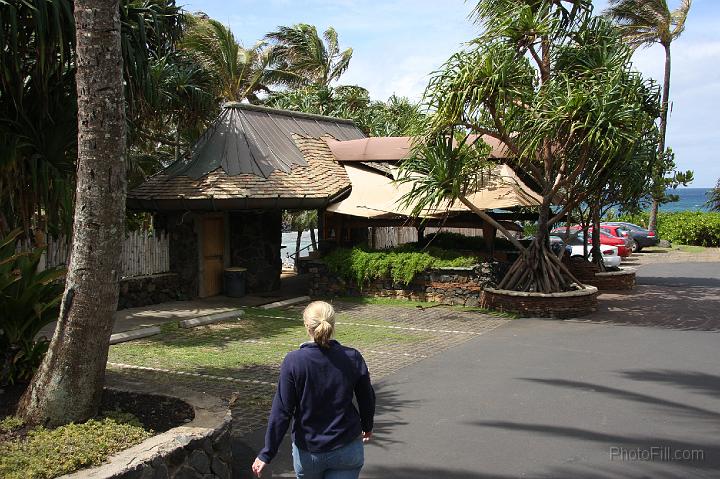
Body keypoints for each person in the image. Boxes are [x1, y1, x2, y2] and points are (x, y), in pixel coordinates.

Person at [252, 301, 375, 478]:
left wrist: (267, 453)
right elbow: (366, 398)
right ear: (333, 324)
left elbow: (282, 411)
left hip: (308, 453)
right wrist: (367, 425)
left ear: (306, 325)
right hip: (346, 448)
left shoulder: (294, 361)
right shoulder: (352, 357)